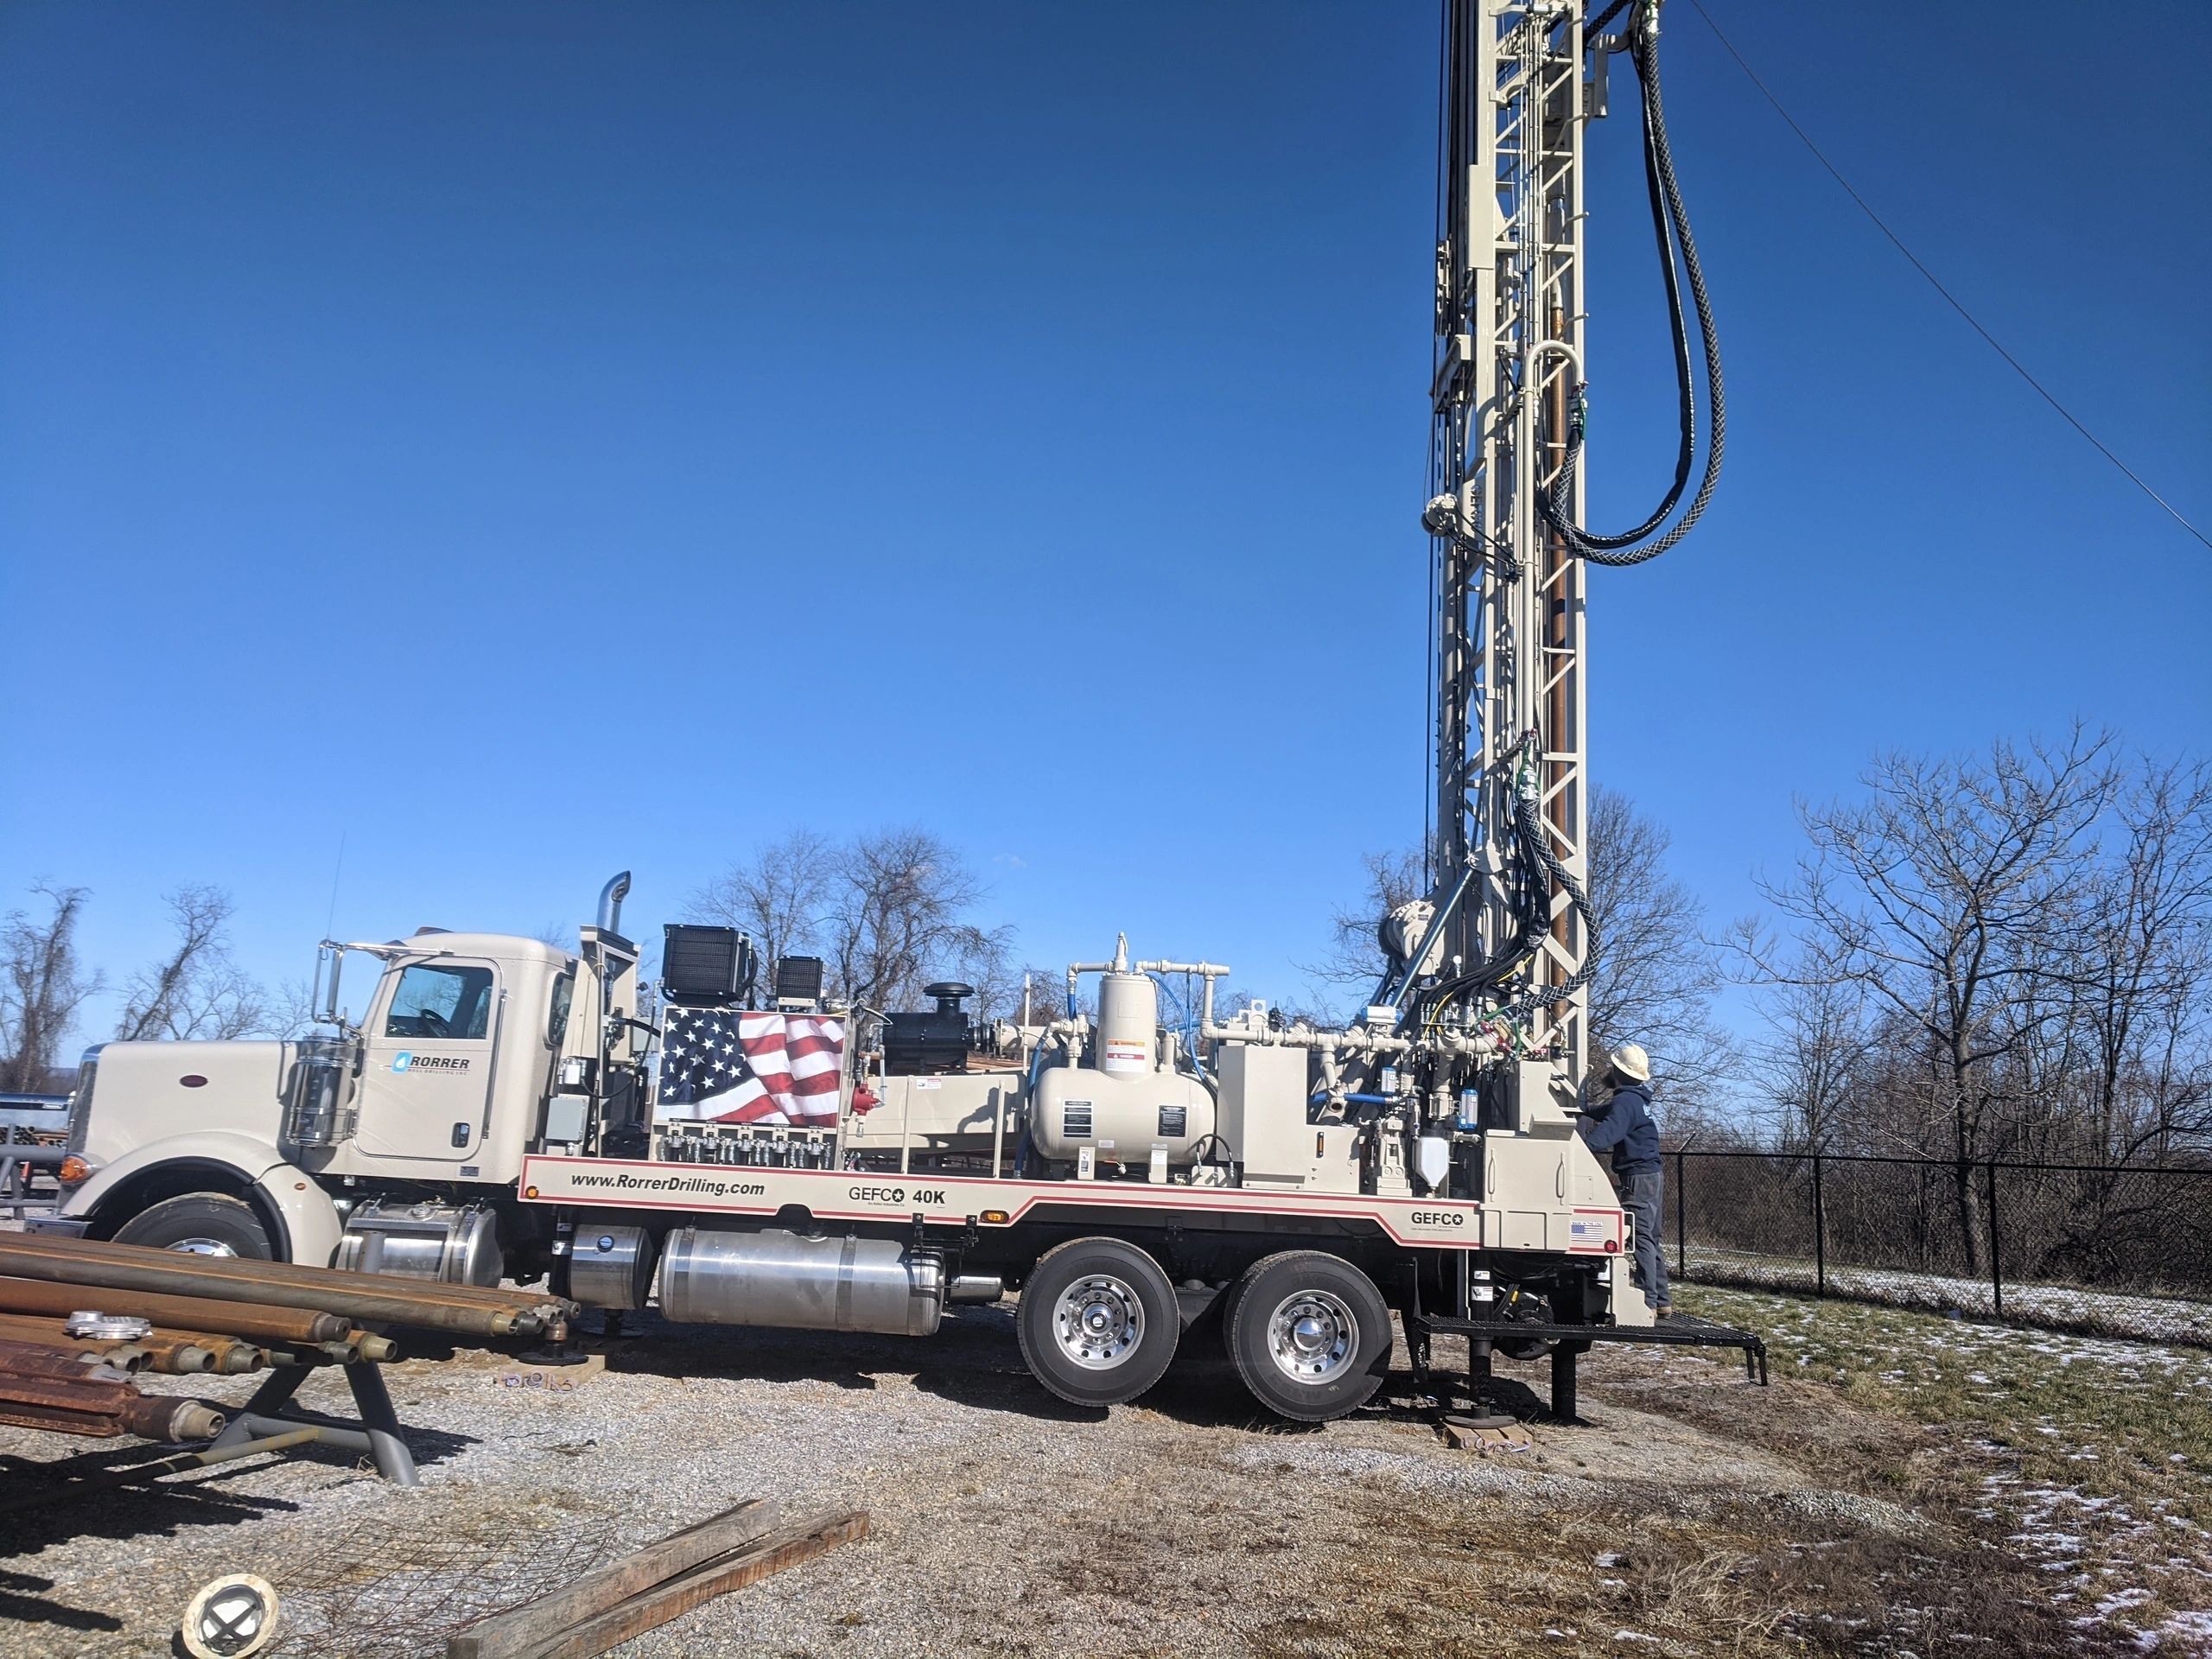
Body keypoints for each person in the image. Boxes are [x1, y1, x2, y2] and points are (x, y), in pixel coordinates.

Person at [1576, 1042, 1670, 1318]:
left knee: (1640, 1237)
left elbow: (1610, 1131)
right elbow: (1609, 1112)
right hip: (1652, 1173)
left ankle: (1647, 1303)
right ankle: (1662, 1299)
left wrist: (1578, 1149)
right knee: (1651, 1237)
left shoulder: (1625, 1102)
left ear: (1617, 1072)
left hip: (1637, 1176)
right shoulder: (1636, 1100)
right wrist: (1584, 1109)